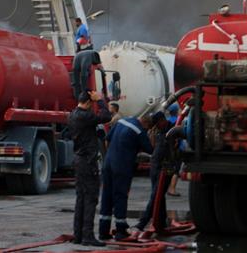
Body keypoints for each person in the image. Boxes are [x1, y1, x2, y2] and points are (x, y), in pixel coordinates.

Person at [98, 113, 154, 241]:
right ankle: (120, 230)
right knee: (120, 196)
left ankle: (103, 231)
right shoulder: (139, 131)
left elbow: (108, 139)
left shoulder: (121, 121)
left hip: (108, 164)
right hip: (122, 167)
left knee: (107, 195)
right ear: (146, 124)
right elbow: (150, 149)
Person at [68, 90, 112, 247]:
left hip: (79, 160)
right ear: (88, 102)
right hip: (87, 161)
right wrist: (100, 100)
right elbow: (107, 116)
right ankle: (87, 235)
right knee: (91, 198)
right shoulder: (85, 116)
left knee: (81, 198)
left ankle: (78, 235)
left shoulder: (72, 114)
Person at [133, 111, 172, 235]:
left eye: (157, 124)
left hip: (165, 168)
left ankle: (142, 222)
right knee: (159, 195)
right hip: (155, 166)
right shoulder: (160, 131)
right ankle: (161, 222)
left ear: (162, 120)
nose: (156, 126)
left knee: (155, 195)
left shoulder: (173, 130)